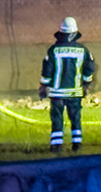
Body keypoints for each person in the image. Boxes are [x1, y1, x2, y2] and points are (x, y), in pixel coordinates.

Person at [39, 17, 95, 152]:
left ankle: (56, 146)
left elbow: (47, 71)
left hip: (57, 93)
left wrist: (43, 86)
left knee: (57, 118)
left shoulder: (53, 50)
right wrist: (86, 84)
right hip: (75, 92)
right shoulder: (84, 50)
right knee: (75, 118)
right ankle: (77, 144)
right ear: (75, 34)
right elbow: (89, 69)